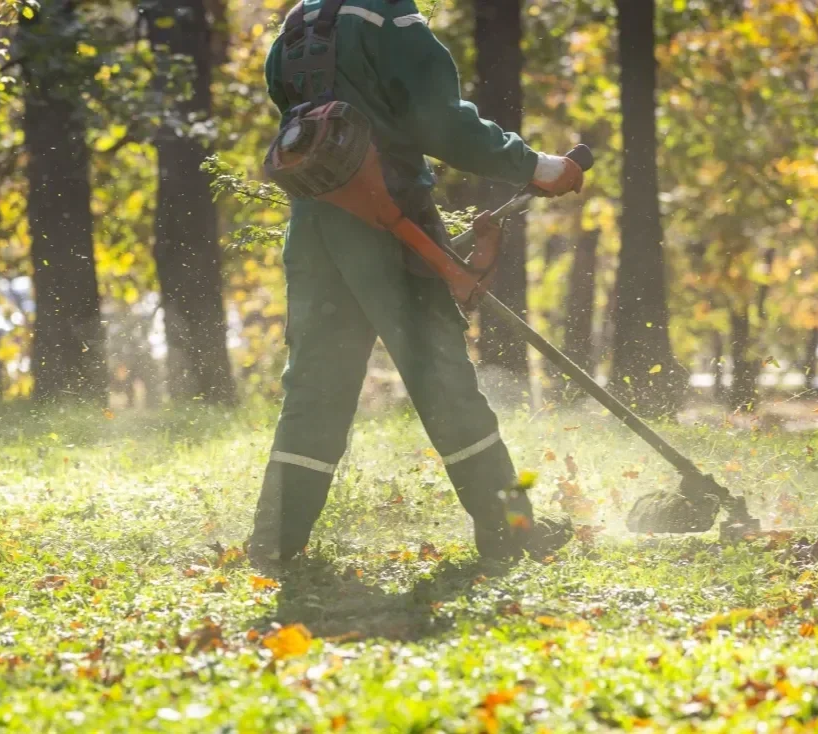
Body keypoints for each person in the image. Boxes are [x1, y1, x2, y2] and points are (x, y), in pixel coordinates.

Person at [247, 0, 586, 565]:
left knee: (314, 390)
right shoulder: (389, 18)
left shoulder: (298, 28)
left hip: (314, 229)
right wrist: (537, 167)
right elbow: (441, 122)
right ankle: (510, 528)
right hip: (392, 223)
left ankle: (274, 541)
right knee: (446, 382)